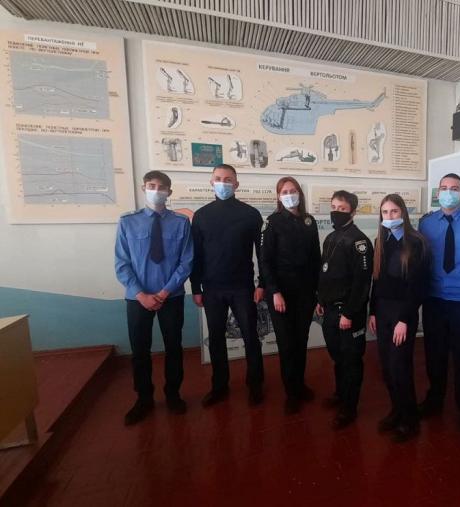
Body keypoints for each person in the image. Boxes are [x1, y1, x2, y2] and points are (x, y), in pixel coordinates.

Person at [115, 170, 193, 425]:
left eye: (161, 187)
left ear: (169, 192)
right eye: (151, 185)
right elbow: (122, 264)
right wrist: (141, 294)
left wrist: (164, 292)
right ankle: (144, 399)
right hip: (137, 299)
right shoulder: (128, 222)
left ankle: (173, 395)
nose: (156, 191)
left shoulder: (181, 223)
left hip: (171, 296)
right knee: (140, 350)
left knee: (174, 348)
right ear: (143, 188)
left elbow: (186, 261)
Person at [190, 164, 265, 407]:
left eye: (228, 179)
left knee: (251, 337)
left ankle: (255, 385)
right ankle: (219, 386)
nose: (223, 183)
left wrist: (262, 283)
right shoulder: (201, 216)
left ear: (236, 184)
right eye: (219, 178)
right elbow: (196, 255)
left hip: (243, 288)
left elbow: (262, 253)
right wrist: (196, 287)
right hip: (212, 289)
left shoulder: (250, 214)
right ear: (211, 182)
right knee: (216, 339)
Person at [418, 173, 460, 431]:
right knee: (434, 356)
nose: (449, 192)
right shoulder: (425, 224)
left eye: (454, 188)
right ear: (438, 193)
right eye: (444, 188)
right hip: (434, 300)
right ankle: (434, 400)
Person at [368, 194, 430, 442]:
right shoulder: (381, 241)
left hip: (403, 313)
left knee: (400, 367)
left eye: (394, 211)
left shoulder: (416, 242)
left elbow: (418, 287)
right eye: (385, 212)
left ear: (403, 213)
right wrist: (373, 312)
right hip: (383, 310)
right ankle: (396, 411)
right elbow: (377, 281)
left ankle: (410, 419)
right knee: (386, 368)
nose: (389, 216)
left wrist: (404, 319)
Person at [260, 177, 321, 414]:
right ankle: (291, 393)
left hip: (305, 293)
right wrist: (274, 292)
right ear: (278, 196)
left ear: (300, 193)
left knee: (301, 341)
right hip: (281, 294)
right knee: (286, 345)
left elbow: (315, 259)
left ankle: (300, 385)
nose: (289, 195)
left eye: (293, 190)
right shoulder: (272, 222)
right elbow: (265, 262)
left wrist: (318, 293)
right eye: (284, 192)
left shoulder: (309, 221)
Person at [316, 190, 373, 429]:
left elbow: (362, 284)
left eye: (342, 208)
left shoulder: (360, 242)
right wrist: (320, 299)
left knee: (351, 360)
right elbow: (325, 273)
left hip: (349, 313)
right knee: (338, 357)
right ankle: (340, 394)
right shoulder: (331, 238)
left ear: (353, 212)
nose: (336, 212)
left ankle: (349, 408)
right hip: (329, 310)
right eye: (334, 207)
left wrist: (349, 313)